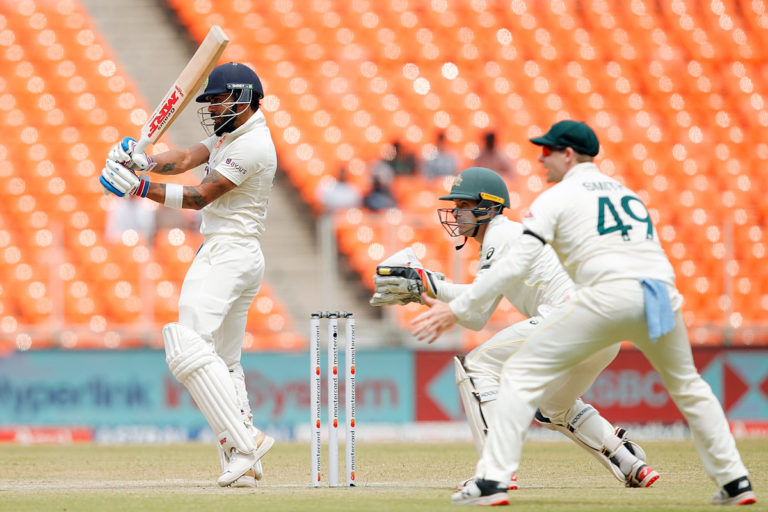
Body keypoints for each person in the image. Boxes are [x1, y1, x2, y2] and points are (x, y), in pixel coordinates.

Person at [412, 121, 756, 506]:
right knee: (686, 388)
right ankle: (731, 481)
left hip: (601, 301)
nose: (541, 160)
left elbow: (514, 265)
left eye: (547, 152)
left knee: (496, 370)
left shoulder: (555, 198)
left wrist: (454, 307)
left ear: (568, 154)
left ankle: (493, 478)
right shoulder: (627, 194)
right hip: (659, 294)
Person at [371, 166, 658, 495]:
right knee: (555, 407)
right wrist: (428, 291)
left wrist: (428, 282)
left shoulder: (501, 234)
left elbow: (477, 297)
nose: (456, 213)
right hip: (602, 330)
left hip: (569, 318)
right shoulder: (504, 241)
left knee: (475, 366)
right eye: (456, 206)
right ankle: (630, 463)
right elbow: (477, 315)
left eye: (464, 205)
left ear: (488, 207)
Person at [99, 62, 276, 489]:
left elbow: (200, 196)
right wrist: (144, 161)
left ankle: (246, 439)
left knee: (186, 345)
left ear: (244, 98)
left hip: (227, 252)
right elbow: (184, 159)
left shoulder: (252, 145)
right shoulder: (232, 134)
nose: (212, 108)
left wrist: (139, 188)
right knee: (225, 361)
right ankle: (243, 461)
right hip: (237, 253)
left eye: (218, 100)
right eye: (210, 101)